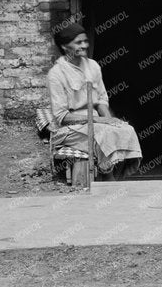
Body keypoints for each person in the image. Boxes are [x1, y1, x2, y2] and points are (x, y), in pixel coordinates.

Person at [47, 22, 143, 178]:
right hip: (71, 129)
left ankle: (118, 178)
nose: (84, 45)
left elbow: (101, 100)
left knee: (126, 130)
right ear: (65, 47)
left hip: (97, 122)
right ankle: (108, 178)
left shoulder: (93, 66)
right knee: (104, 134)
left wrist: (109, 119)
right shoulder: (56, 74)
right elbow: (62, 117)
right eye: (78, 42)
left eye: (85, 41)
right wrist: (100, 122)